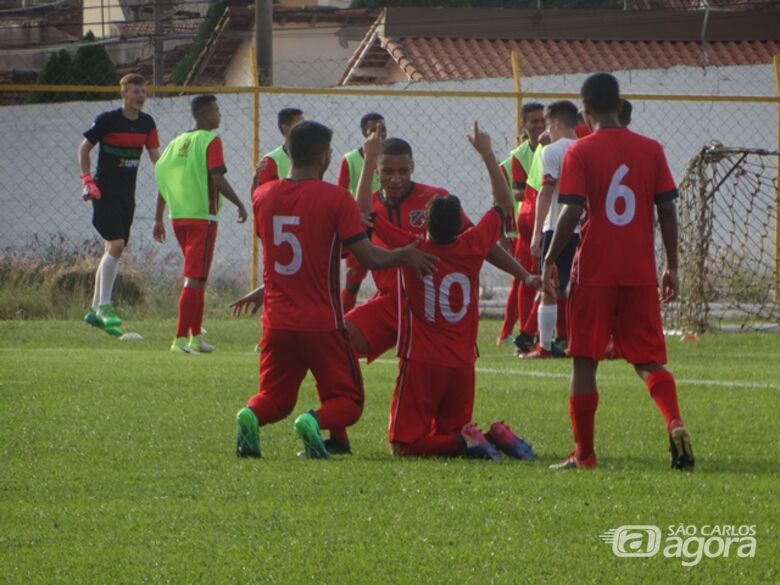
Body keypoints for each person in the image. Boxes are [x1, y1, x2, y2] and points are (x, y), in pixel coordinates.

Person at [232, 121, 438, 460]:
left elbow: (289, 253)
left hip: (277, 322)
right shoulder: (335, 198)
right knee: (349, 402)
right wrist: (405, 254)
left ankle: (250, 415)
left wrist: (262, 290)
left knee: (275, 399)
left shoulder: (263, 196)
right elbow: (367, 256)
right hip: (321, 322)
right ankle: (314, 422)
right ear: (325, 157)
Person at [542, 72, 694, 470]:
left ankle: (585, 454)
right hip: (640, 270)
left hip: (594, 271)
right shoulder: (651, 149)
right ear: (619, 102)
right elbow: (667, 209)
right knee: (647, 359)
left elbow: (572, 209)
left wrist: (548, 258)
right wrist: (672, 265)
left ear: (585, 107)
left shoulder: (580, 151)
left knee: (584, 361)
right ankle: (674, 421)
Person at [362, 122, 539, 460]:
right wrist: (488, 154)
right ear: (460, 223)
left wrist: (368, 159)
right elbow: (502, 205)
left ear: (424, 224)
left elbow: (363, 215)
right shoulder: (472, 246)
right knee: (444, 434)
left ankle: (471, 442)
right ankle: (493, 436)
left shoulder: (412, 249)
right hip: (462, 361)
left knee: (405, 447)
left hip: (422, 361)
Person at [153, 95, 249, 354]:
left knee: (199, 277)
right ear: (205, 113)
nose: (220, 115)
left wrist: (158, 217)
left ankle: (196, 336)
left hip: (179, 217)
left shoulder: (176, 142)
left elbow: (164, 180)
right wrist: (240, 203)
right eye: (217, 110)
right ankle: (180, 339)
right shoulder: (210, 140)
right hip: (202, 218)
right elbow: (217, 179)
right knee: (195, 278)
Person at [79, 73, 160, 336]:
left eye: (143, 92)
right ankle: (104, 306)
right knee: (116, 245)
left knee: (111, 249)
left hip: (128, 195)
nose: (140, 96)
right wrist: (87, 180)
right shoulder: (108, 120)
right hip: (104, 193)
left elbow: (156, 158)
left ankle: (93, 312)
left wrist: (169, 180)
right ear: (123, 94)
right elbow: (83, 148)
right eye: (135, 91)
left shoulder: (147, 124)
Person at [523, 100, 581, 359]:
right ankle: (580, 343)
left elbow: (546, 192)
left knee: (549, 287)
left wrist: (536, 234)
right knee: (577, 290)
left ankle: (544, 346)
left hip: (557, 228)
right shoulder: (588, 147)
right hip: (585, 228)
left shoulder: (552, 151)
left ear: (555, 122)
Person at [497, 103, 545, 345]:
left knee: (547, 278)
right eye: (534, 121)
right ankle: (516, 332)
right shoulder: (517, 157)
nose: (539, 125)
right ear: (524, 126)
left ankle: (540, 331)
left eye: (542, 120)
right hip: (523, 227)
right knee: (523, 280)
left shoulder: (556, 149)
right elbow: (516, 195)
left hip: (548, 222)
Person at [337, 113, 387, 312]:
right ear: (364, 133)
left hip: (384, 227)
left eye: (382, 129)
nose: (378, 133)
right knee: (353, 282)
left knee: (389, 279)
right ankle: (342, 325)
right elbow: (341, 193)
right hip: (360, 226)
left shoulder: (390, 158)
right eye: (373, 129)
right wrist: (354, 215)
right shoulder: (350, 160)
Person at [250, 107, 304, 191]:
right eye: (300, 126)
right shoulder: (271, 161)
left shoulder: (311, 156)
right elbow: (262, 195)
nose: (305, 129)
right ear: (285, 128)